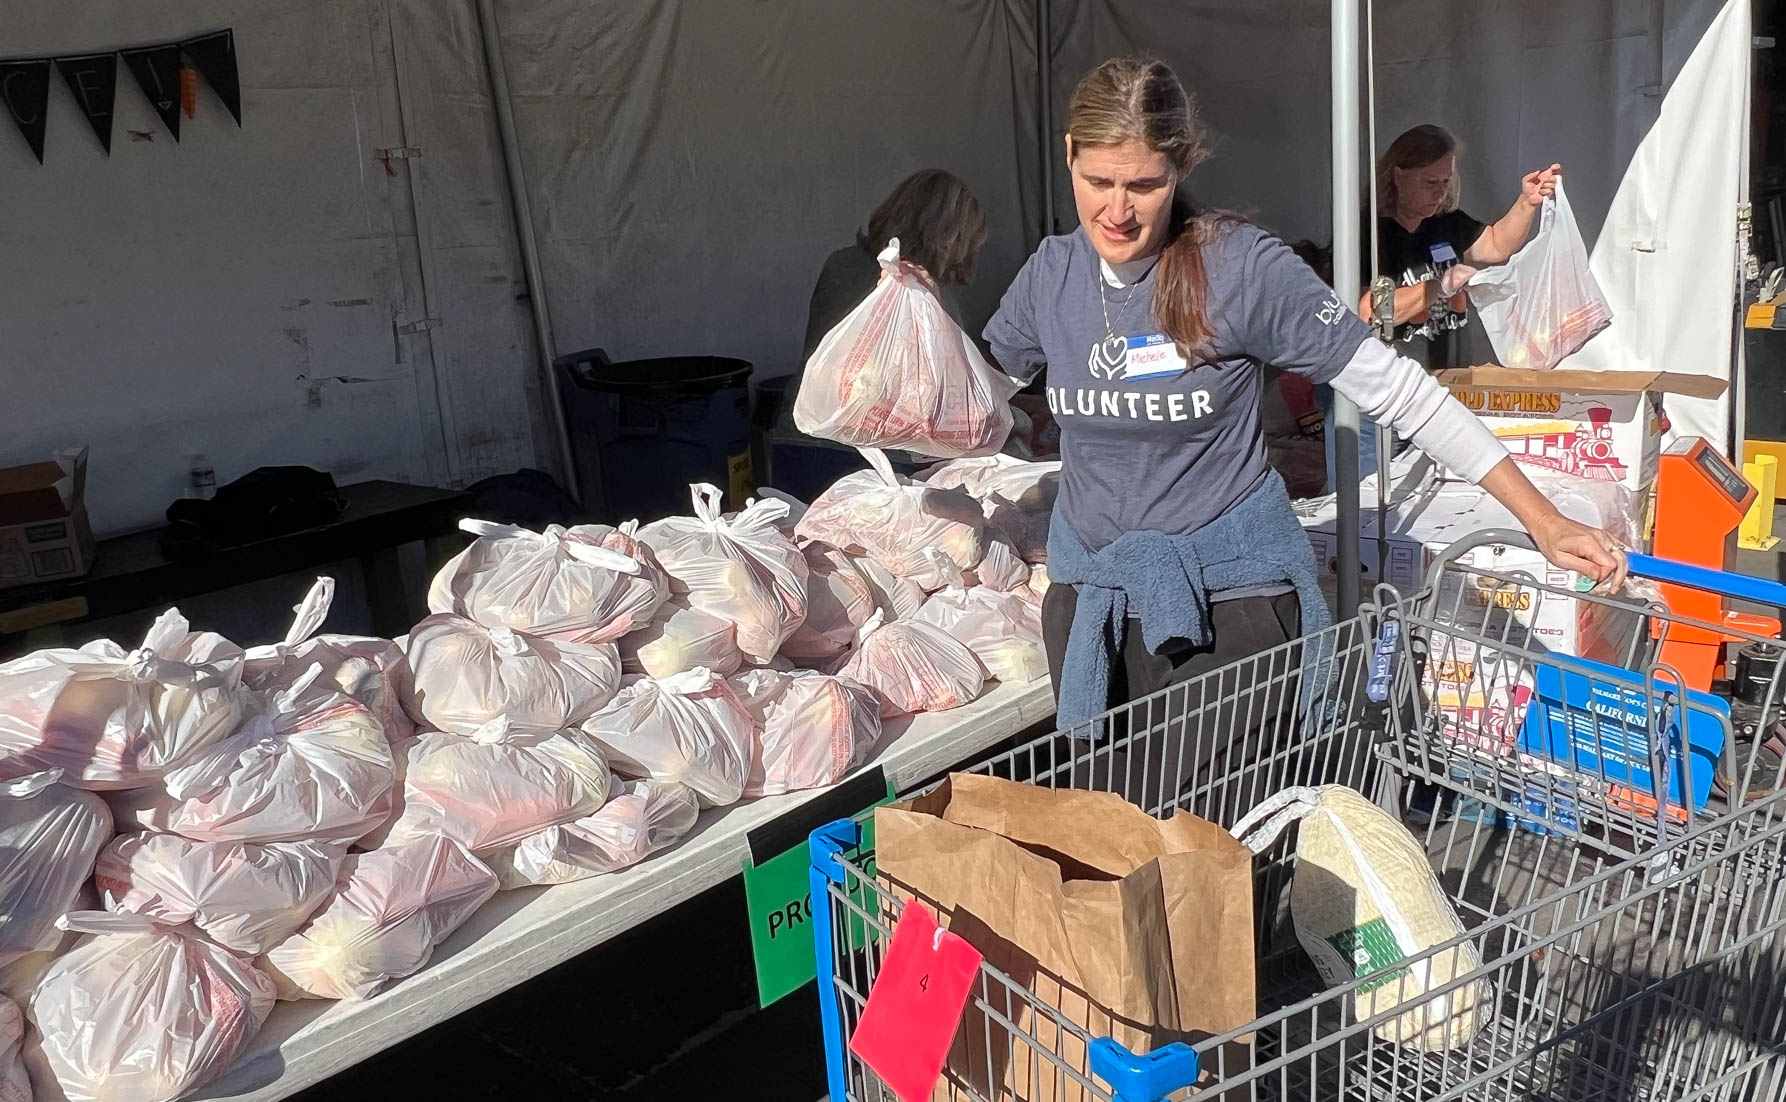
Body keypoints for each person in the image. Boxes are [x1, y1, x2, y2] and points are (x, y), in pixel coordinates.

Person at [982, 57, 1623, 810]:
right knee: (1114, 854)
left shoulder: (1238, 267)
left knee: (1205, 858)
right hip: (1093, 607)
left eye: (1144, 185)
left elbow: (1402, 392)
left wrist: (1541, 518)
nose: (1118, 210)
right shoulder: (1049, 277)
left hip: (1223, 616)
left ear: (1181, 166)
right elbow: (976, 399)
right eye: (1099, 182)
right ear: (1068, 156)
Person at [1327, 125, 1562, 486]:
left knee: (1433, 498)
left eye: (1445, 182)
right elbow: (1366, 309)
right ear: (1398, 176)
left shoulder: (1447, 225)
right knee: (1367, 508)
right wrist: (1439, 285)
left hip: (1437, 392)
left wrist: (1526, 202)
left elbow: (1498, 245)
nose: (1439, 193)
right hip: (1374, 402)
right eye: (1429, 183)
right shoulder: (1364, 232)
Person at [770, 170, 992, 491]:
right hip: (880, 460)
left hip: (802, 437)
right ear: (950, 238)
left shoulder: (841, 263)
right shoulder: (928, 295)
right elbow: (948, 397)